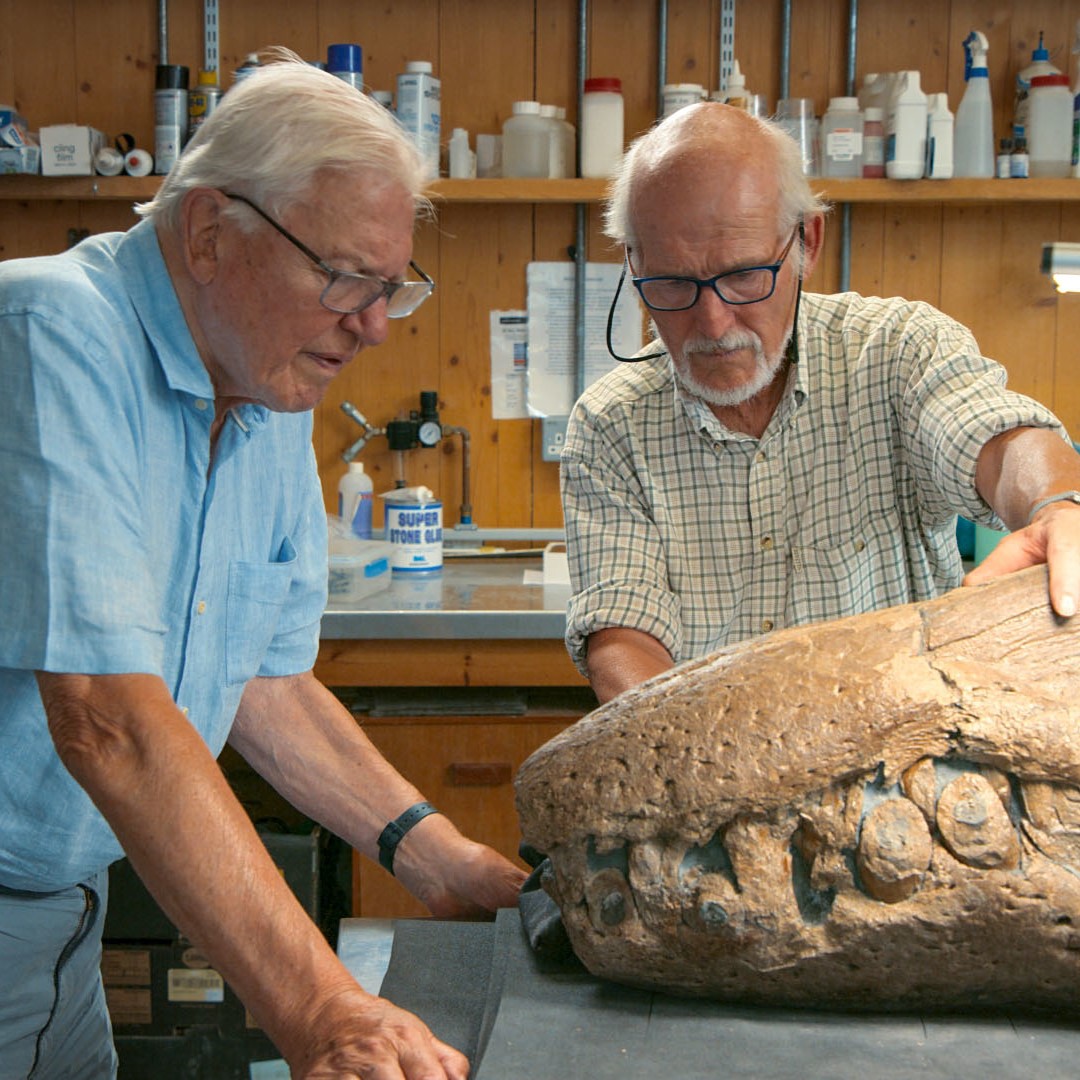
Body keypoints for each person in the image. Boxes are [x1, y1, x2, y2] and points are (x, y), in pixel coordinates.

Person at [0, 55, 525, 1080]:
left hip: (67, 913)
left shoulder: (265, 380)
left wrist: (436, 854)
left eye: (391, 289)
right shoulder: (50, 332)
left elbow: (264, 686)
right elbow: (106, 715)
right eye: (344, 280)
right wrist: (326, 1009)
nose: (373, 326)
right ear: (209, 233)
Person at [562, 103, 1080, 705]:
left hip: (903, 769)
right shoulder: (611, 425)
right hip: (716, 772)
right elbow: (624, 635)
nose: (712, 321)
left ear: (806, 239)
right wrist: (694, 760)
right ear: (633, 262)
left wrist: (1057, 505)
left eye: (744, 276)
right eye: (673, 283)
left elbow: (996, 438)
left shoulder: (897, 352)